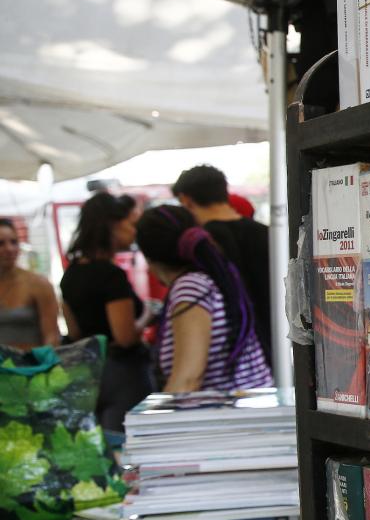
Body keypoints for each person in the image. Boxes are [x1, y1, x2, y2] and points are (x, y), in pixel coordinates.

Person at [135, 205, 272, 393]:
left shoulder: (190, 288)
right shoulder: (209, 278)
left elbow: (188, 380)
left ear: (149, 258)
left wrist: (160, 411)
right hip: (244, 404)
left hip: (229, 408)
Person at [59, 192, 156, 432]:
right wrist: (148, 314)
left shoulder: (71, 274)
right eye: (131, 224)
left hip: (87, 374)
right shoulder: (111, 276)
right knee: (127, 442)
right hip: (123, 375)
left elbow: (75, 333)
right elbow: (124, 337)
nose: (134, 232)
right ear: (113, 225)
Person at [171, 164, 273, 364]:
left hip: (233, 351)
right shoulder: (267, 233)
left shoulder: (202, 244)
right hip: (275, 340)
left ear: (185, 199)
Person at [0, 219, 60, 349]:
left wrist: (43, 359)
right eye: (1, 244)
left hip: (32, 359)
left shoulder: (39, 284)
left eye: (14, 242)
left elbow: (52, 335)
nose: (9, 249)